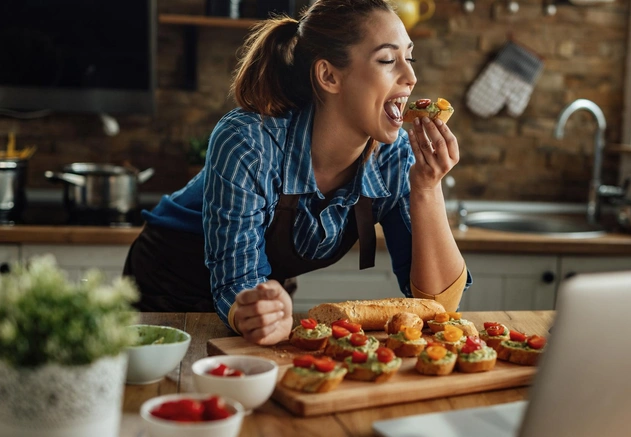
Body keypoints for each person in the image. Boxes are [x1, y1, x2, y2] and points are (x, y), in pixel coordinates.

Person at [123, 0, 472, 346]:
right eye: (387, 60)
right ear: (329, 76)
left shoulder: (394, 157)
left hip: (258, 297)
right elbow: (236, 280)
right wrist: (259, 311)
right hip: (166, 296)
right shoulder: (249, 141)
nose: (411, 77)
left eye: (409, 58)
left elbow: (438, 307)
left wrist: (427, 187)